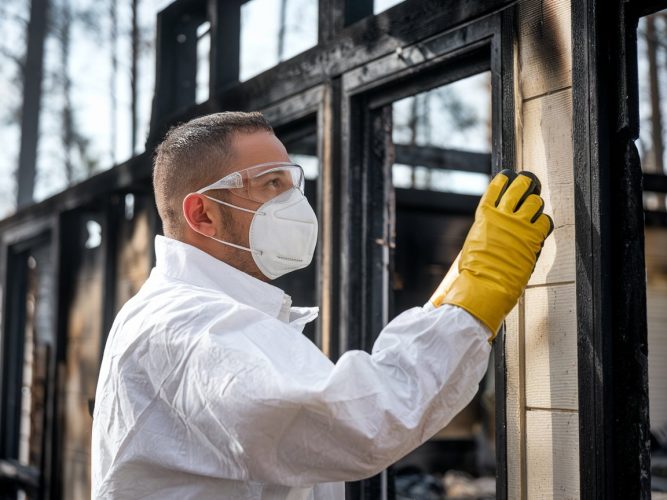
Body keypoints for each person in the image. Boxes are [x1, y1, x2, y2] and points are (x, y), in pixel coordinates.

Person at [91, 111, 553, 499]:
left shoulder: (190, 314)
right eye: (271, 184)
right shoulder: (192, 329)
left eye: (292, 182)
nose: (293, 202)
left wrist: (457, 292)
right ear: (203, 214)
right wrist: (478, 292)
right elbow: (361, 422)